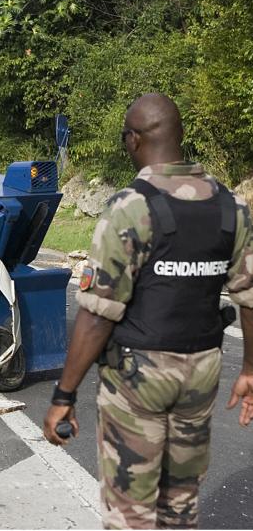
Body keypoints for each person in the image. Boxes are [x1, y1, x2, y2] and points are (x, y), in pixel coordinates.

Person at [42, 93, 253, 529]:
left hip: (139, 377)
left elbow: (98, 314)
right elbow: (248, 296)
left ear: (134, 140)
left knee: (131, 515)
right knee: (179, 506)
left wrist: (64, 395)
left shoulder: (130, 208)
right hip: (201, 373)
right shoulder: (230, 207)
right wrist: (249, 368)